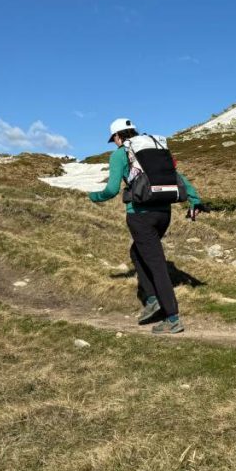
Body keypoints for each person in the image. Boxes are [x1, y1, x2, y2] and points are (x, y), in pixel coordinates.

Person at [89, 118, 202, 334]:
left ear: (118, 136)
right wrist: (195, 200)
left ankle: (172, 317)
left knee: (156, 264)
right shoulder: (154, 149)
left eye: (113, 139)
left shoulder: (121, 154)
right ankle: (152, 299)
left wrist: (94, 197)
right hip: (164, 213)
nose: (114, 143)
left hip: (140, 215)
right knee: (137, 252)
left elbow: (112, 189)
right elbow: (177, 176)